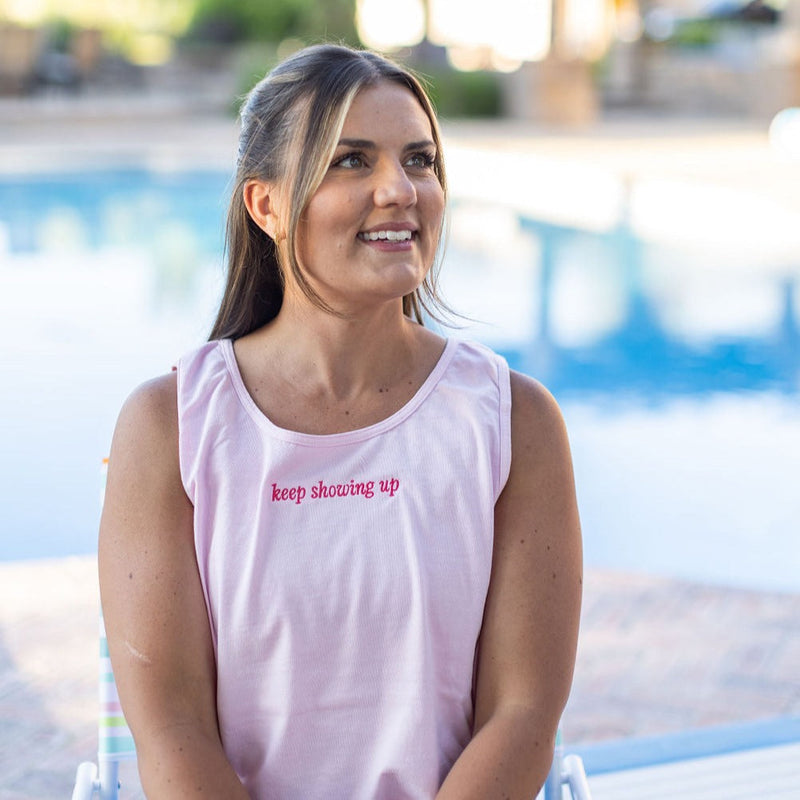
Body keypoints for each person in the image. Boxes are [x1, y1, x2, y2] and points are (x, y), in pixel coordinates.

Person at [98, 43, 583, 800]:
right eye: (352, 161)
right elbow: (173, 729)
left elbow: (523, 717)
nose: (401, 190)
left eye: (419, 160)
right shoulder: (172, 427)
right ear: (266, 206)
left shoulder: (512, 420)